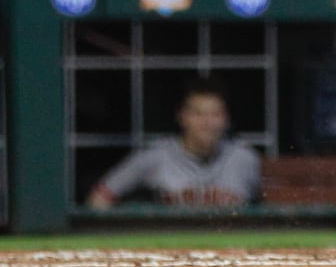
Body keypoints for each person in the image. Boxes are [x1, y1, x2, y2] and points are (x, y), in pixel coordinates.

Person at [85, 78, 261, 209]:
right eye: (198, 114)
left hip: (232, 249)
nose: (207, 122)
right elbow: (99, 198)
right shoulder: (155, 155)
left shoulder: (245, 158)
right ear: (182, 116)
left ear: (226, 118)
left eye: (215, 114)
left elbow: (273, 208)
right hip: (171, 248)